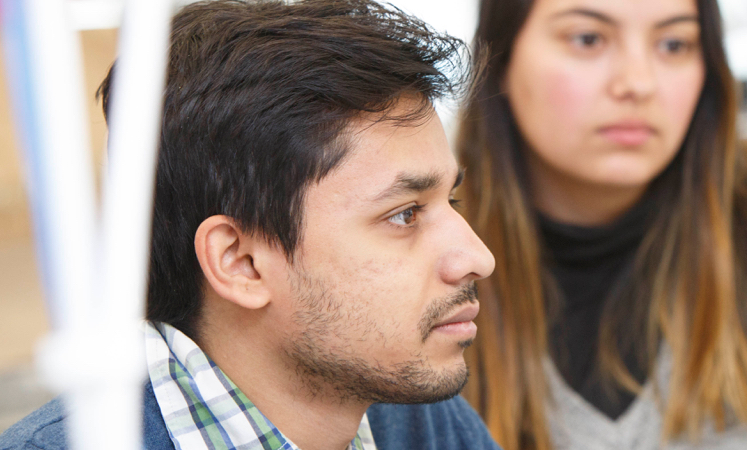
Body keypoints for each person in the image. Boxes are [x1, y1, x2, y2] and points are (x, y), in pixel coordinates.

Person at [0, 1, 500, 449]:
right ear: (240, 262)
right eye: (404, 214)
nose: (477, 257)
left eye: (451, 199)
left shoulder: (413, 415)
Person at [455, 0, 747, 448]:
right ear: (500, 58)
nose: (638, 84)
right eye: (588, 39)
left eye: (674, 44)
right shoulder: (428, 248)